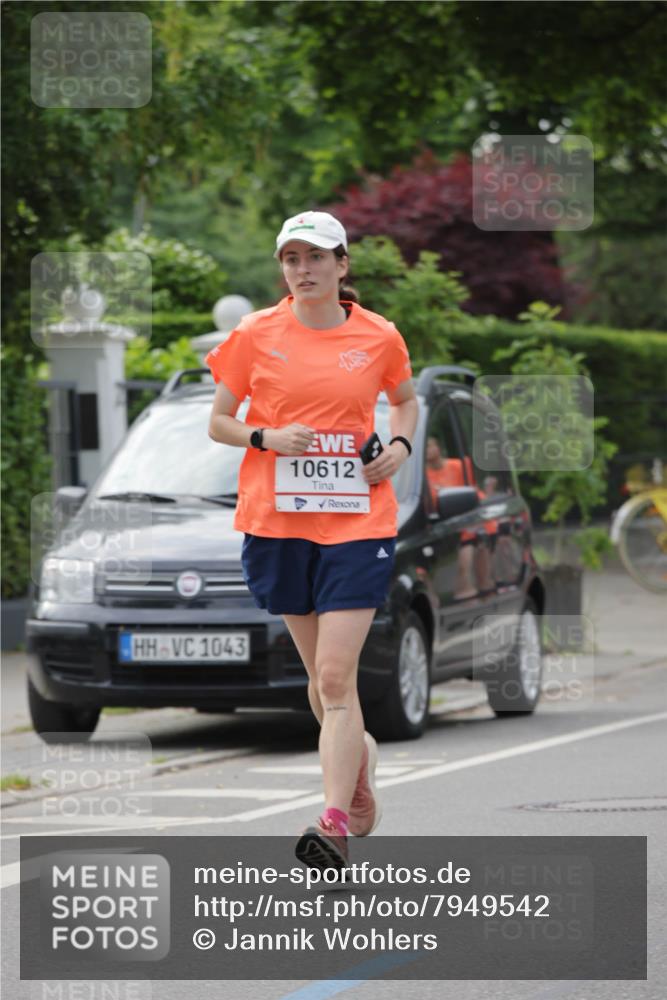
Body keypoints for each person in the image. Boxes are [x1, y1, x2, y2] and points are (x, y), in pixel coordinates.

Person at [205, 210, 418, 873]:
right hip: (278, 523)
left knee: (333, 675)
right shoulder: (254, 333)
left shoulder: (378, 335)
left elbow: (405, 400)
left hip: (358, 523)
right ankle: (356, 773)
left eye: (316, 257)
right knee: (323, 683)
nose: (303, 269)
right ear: (282, 268)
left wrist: (400, 446)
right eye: (291, 259)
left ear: (341, 264)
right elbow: (219, 421)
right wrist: (266, 436)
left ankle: (333, 825)